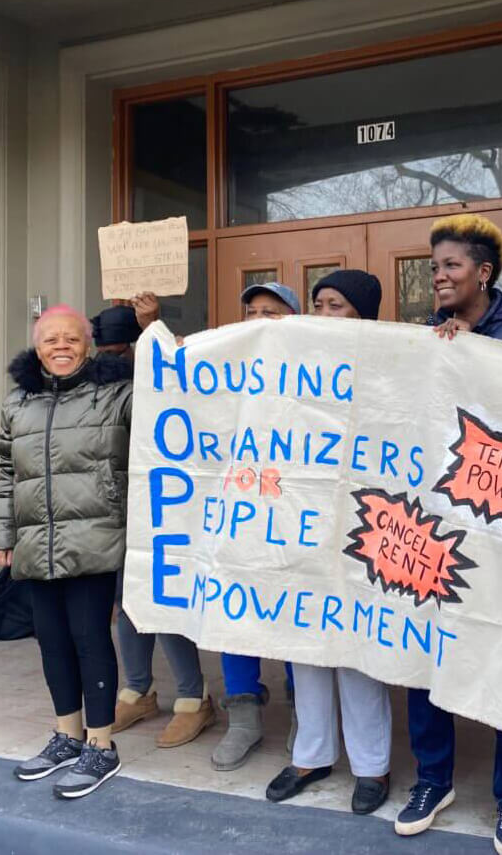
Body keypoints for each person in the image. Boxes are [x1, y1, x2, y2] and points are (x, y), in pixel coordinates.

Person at [396, 214, 502, 855]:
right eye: (434, 268)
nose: (439, 276)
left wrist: (477, 354)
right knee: (426, 649)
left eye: (452, 266)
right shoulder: (426, 336)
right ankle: (434, 779)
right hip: (440, 522)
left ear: (483, 273)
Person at [0, 305, 131, 798]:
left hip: (94, 536)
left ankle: (101, 745)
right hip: (35, 541)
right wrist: (0, 536)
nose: (61, 347)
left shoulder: (117, 393)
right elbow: (6, 473)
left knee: (90, 637)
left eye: (71, 338)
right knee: (51, 641)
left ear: (88, 344)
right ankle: (67, 735)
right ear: (37, 347)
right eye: (51, 340)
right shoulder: (17, 403)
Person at [264, 270, 393, 816]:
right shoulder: (292, 366)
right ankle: (311, 754)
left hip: (364, 526)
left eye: (335, 305)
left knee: (357, 648)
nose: (322, 314)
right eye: (317, 304)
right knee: (306, 646)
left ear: (361, 314)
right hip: (303, 523)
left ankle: (371, 766)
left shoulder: (390, 366)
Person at [89, 299, 216, 749]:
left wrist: (153, 326)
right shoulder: (95, 390)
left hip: (167, 504)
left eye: (121, 353)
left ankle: (192, 698)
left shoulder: (168, 381)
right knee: (127, 601)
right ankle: (137, 690)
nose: (111, 362)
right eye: (104, 354)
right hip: (118, 508)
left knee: (166, 595)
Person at [210, 281, 300, 771]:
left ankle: (304, 715)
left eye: (272, 310)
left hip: (292, 518)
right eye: (252, 310)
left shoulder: (318, 367)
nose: (259, 317)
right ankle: (243, 717)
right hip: (238, 513)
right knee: (234, 614)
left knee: (294, 609)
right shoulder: (219, 365)